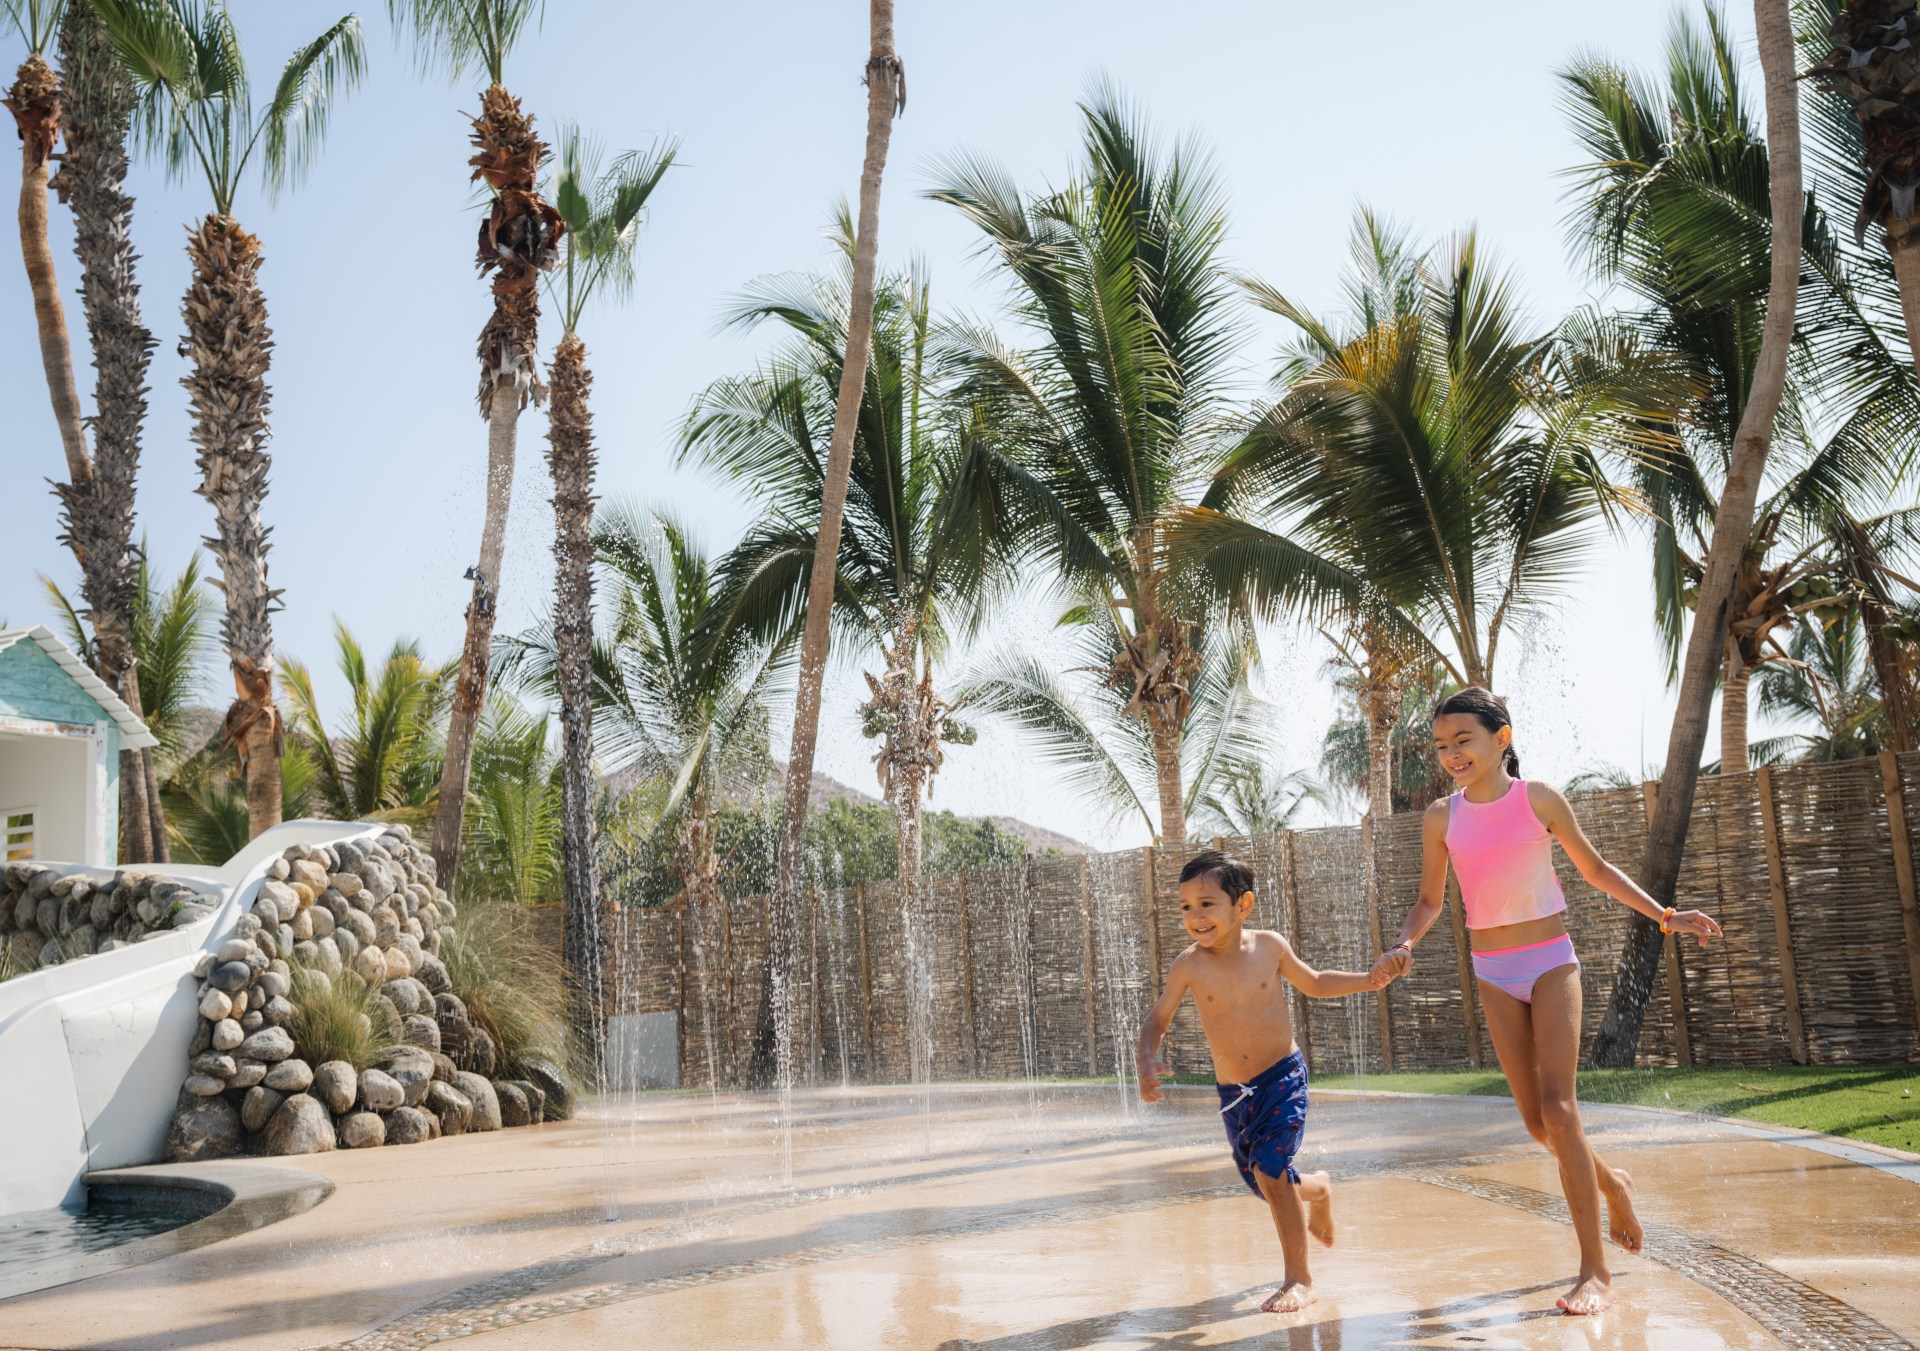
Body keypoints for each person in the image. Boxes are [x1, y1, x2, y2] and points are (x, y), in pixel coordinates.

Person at [1371, 687, 1722, 1315]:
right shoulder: (1440, 817)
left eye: (1464, 741)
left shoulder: (1537, 799)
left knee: (1560, 1108)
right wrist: (1402, 942)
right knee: (1537, 1124)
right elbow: (1430, 900)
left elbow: (1597, 870)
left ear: (1500, 738)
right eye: (1442, 745)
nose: (1452, 754)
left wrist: (1666, 915)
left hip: (1550, 962)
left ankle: (1595, 1271)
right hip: (1491, 969)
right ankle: (1611, 1183)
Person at [1137, 849, 1397, 1314]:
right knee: (1264, 1181)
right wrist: (1146, 1058)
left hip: (1282, 1078)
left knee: (1271, 1171)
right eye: (1186, 907)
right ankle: (1317, 1188)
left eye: (1207, 903)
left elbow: (1315, 982)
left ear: (1243, 905)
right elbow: (1156, 1020)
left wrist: (1367, 980)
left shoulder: (1269, 947)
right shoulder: (1189, 965)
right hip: (1234, 1095)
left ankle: (1300, 1279)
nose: (1195, 916)